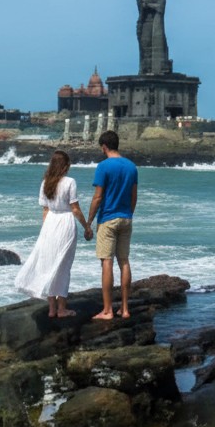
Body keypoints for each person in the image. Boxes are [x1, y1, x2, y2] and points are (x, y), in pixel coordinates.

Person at [14, 150, 93, 318]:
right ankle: (62, 309)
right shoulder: (70, 182)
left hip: (50, 224)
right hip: (65, 223)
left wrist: (45, 230)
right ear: (65, 166)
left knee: (49, 263)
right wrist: (87, 227)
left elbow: (45, 210)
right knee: (64, 265)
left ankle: (52, 309)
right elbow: (75, 209)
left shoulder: (45, 183)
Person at [87, 130, 138, 320]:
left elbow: (98, 197)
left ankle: (107, 310)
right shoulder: (132, 167)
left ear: (104, 147)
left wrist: (89, 221)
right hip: (126, 217)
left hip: (108, 219)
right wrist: (129, 214)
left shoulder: (103, 166)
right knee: (124, 261)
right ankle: (124, 309)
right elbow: (134, 196)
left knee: (106, 262)